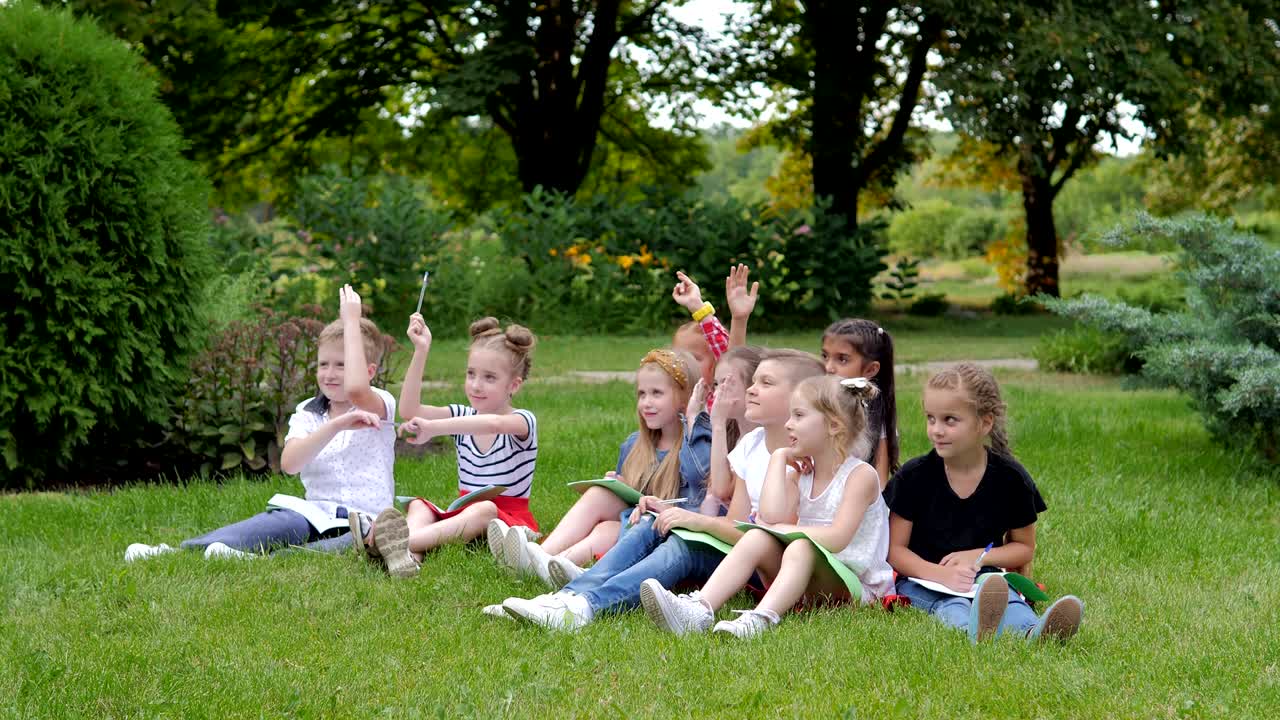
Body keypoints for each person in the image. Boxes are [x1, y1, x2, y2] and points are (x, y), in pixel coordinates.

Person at [124, 285, 394, 562]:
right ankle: (180, 551)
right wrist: (335, 425)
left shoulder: (380, 404)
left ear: (369, 371)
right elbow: (290, 463)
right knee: (276, 523)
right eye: (323, 364)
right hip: (315, 513)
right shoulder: (308, 412)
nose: (329, 374)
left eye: (342, 365)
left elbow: (357, 390)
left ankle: (265, 561)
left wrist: (351, 320)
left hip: (366, 523)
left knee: (349, 543)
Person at [641, 375, 892, 638]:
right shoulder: (801, 473)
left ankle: (760, 619)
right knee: (757, 536)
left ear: (833, 426)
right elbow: (769, 517)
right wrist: (779, 457)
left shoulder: (860, 475)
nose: (788, 424)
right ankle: (699, 609)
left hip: (857, 585)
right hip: (812, 579)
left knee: (801, 545)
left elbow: (838, 538)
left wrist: (784, 529)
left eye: (798, 415)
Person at [887, 363, 1083, 643]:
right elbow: (895, 551)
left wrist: (979, 557)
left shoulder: (1011, 479)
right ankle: (973, 631)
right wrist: (940, 574)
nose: (936, 430)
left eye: (950, 420)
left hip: (985, 576)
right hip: (923, 579)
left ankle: (1035, 633)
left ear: (985, 423)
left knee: (1007, 599)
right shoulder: (913, 477)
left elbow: (1023, 548)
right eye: (931, 418)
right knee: (951, 606)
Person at [495, 349, 712, 587]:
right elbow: (631, 502)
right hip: (633, 528)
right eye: (641, 394)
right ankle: (546, 558)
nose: (646, 403)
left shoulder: (696, 446)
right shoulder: (635, 444)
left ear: (685, 397)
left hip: (663, 537)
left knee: (612, 527)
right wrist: (623, 486)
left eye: (656, 393)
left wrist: (694, 419)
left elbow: (694, 498)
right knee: (604, 503)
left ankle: (545, 561)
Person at [356, 314, 537, 578]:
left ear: (514, 385)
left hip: (506, 523)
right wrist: (421, 350)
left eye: (489, 377)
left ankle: (392, 543)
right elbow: (409, 409)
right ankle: (407, 561)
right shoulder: (463, 414)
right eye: (471, 373)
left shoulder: (523, 421)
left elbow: (494, 424)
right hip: (462, 516)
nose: (476, 385)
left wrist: (435, 428)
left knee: (485, 509)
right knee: (419, 506)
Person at [820, 318, 899, 488]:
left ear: (870, 370)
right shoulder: (813, 402)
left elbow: (880, 478)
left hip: (857, 499)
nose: (828, 367)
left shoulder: (875, 414)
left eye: (842, 359)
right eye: (825, 356)